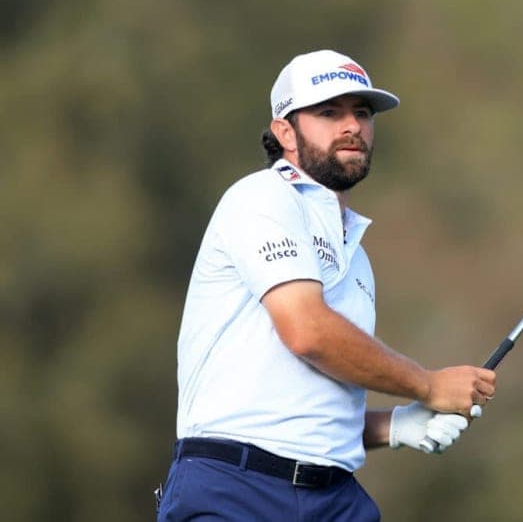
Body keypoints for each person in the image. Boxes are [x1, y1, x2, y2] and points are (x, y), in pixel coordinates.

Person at [155, 49, 497, 521]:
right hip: (234, 489)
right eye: (329, 112)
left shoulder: (356, 255)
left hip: (334, 499)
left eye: (362, 112)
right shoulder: (261, 197)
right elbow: (308, 333)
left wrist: (394, 427)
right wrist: (427, 384)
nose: (352, 125)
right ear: (284, 132)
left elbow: (304, 412)